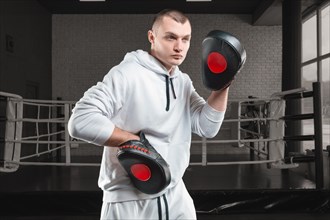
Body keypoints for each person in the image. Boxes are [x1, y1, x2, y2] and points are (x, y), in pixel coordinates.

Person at [68, 9, 229, 220]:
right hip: (129, 200)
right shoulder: (127, 74)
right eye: (171, 37)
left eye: (185, 39)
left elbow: (207, 127)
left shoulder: (182, 81)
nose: (179, 47)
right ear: (152, 37)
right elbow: (80, 121)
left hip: (175, 195)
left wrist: (223, 84)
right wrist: (132, 141)